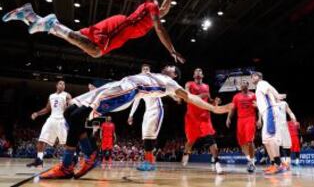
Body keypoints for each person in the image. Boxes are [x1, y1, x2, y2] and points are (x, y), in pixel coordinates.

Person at [39, 65, 229, 179]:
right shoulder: (153, 74)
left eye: (171, 67)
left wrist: (212, 108)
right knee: (70, 113)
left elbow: (189, 97)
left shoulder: (172, 84)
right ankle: (90, 155)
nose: (167, 67)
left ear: (174, 75)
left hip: (128, 89)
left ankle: (67, 166)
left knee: (77, 116)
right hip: (118, 84)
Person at [2, 0, 185, 63]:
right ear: (148, 1)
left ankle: (30, 15)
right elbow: (160, 29)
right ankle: (53, 24)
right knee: (95, 51)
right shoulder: (149, 5)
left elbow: (166, 8)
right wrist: (172, 49)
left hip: (120, 32)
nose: (159, 6)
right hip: (119, 28)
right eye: (155, 1)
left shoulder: (151, 10)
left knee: (77, 40)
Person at [181, 68, 223, 174]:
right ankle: (186, 153)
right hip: (191, 117)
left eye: (200, 71)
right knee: (190, 141)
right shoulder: (189, 84)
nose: (198, 72)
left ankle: (217, 162)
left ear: (202, 75)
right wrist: (201, 96)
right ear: (194, 75)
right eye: (196, 71)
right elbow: (186, 97)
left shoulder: (206, 87)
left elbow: (209, 101)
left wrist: (215, 102)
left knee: (210, 139)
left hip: (205, 116)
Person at [27, 80, 72, 167]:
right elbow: (47, 109)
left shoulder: (67, 95)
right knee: (41, 140)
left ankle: (73, 158)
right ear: (56, 85)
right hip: (51, 119)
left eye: (64, 84)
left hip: (61, 120)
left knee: (66, 143)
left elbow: (71, 106)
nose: (62, 85)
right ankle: (39, 159)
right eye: (60, 83)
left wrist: (68, 107)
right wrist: (37, 113)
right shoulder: (51, 96)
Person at [127, 64, 164, 171]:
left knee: (149, 137)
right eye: (144, 69)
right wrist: (131, 115)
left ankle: (149, 162)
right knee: (145, 138)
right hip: (148, 111)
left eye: (147, 69)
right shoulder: (139, 86)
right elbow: (136, 101)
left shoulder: (154, 81)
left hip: (156, 109)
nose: (146, 70)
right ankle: (150, 162)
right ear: (141, 71)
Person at [251, 72, 286, 175]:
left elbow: (270, 89)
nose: (252, 78)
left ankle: (278, 164)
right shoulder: (259, 87)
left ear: (259, 77)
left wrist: (277, 95)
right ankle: (273, 163)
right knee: (266, 140)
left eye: (253, 76)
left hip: (270, 111)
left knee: (270, 138)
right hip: (266, 113)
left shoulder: (262, 83)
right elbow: (270, 89)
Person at [226, 80, 257, 173]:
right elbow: (232, 108)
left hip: (250, 118)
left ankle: (251, 162)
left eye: (245, 82)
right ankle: (250, 159)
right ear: (240, 86)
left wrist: (260, 119)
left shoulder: (253, 95)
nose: (242, 84)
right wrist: (228, 118)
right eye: (241, 83)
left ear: (248, 85)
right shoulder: (236, 97)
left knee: (250, 140)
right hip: (240, 120)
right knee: (241, 142)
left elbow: (258, 107)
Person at [275, 101, 297, 170]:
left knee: (287, 145)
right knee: (279, 146)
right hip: (276, 128)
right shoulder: (271, 104)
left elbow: (290, 112)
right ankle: (282, 163)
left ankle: (287, 163)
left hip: (284, 127)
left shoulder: (284, 103)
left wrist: (293, 117)